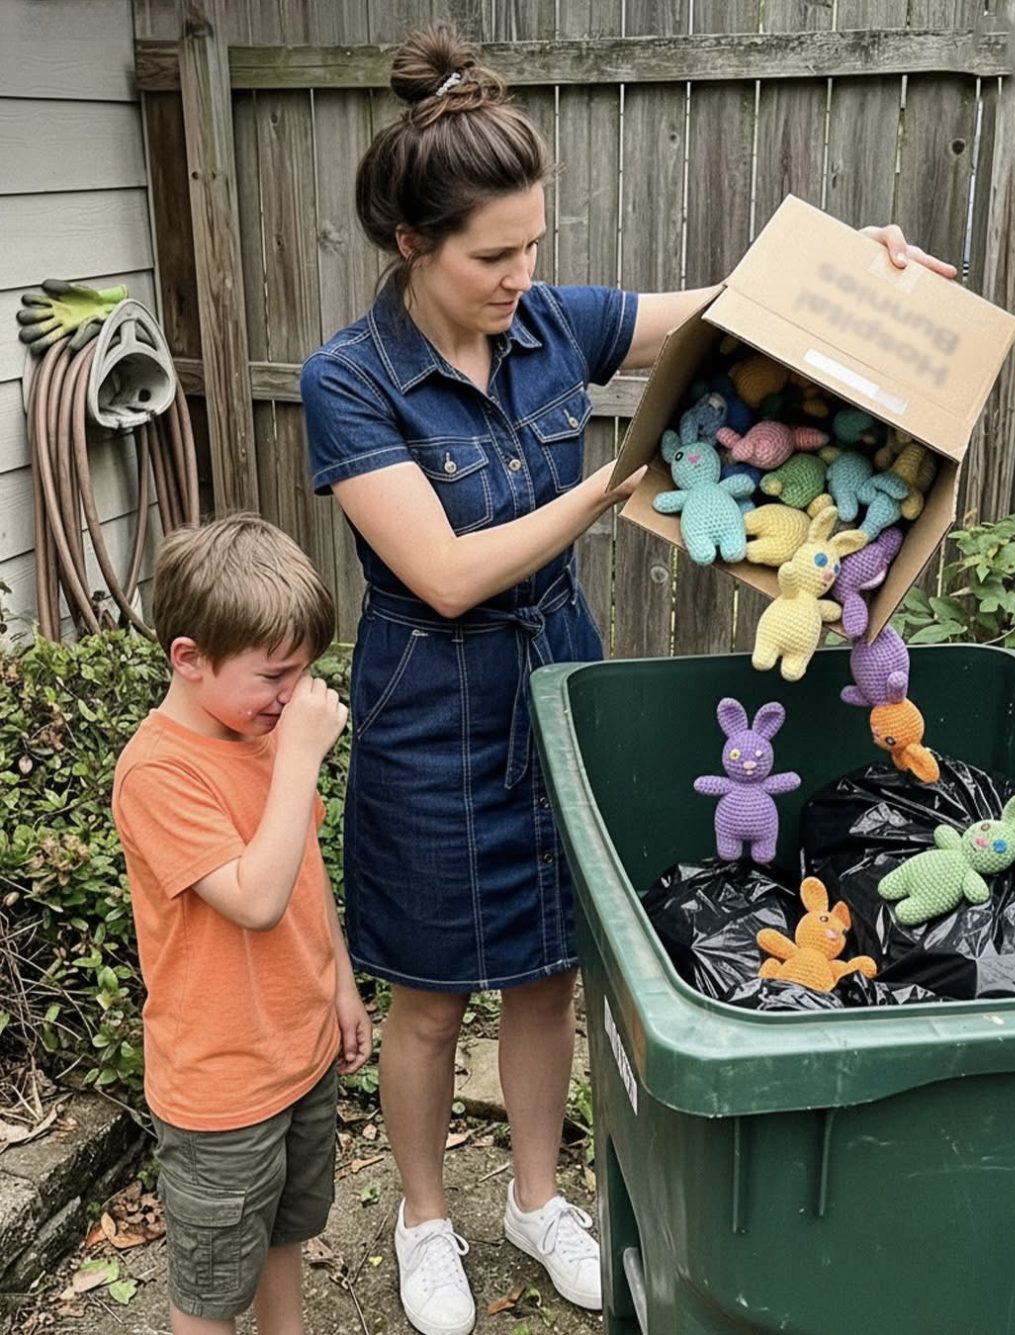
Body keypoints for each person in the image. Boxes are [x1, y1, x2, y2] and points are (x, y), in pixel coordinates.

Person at [300, 22, 957, 1335]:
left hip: (558, 680)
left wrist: (859, 263)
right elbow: (445, 573)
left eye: (534, 246)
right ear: (412, 243)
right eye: (493, 256)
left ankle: (538, 1199)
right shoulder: (349, 381)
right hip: (432, 704)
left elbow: (733, 304)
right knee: (428, 994)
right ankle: (426, 1216)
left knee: (550, 971)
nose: (523, 278)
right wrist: (613, 480)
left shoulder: (554, 323)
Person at [111, 514, 373, 1335]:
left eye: (304, 672)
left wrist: (340, 985)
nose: (294, 695)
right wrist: (297, 757)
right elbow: (255, 901)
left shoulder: (255, 729)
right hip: (221, 1089)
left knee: (284, 1232)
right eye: (275, 674)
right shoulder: (158, 772)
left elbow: (301, 873)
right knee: (213, 1288)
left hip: (298, 1052)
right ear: (189, 658)